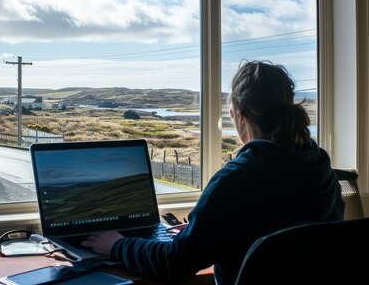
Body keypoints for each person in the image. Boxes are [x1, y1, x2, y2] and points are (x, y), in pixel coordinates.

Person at [82, 60, 345, 285]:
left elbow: (173, 265)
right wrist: (201, 230)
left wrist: (116, 244)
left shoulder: (239, 177)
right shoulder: (320, 165)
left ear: (237, 115)